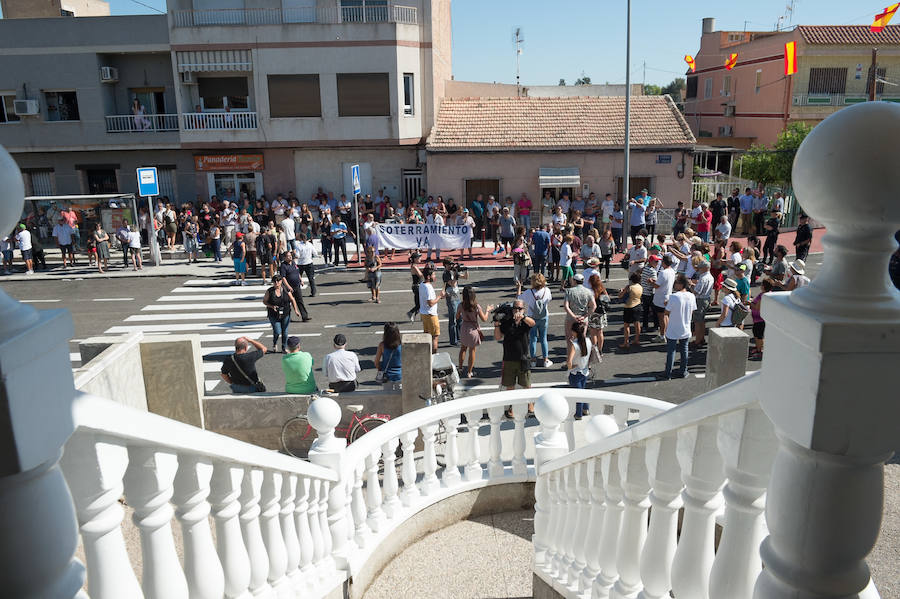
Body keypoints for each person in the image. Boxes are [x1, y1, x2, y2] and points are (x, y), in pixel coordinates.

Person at [494, 299, 535, 415]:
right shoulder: (507, 322)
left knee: (526, 384)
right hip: (509, 358)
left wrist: (523, 317)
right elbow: (498, 337)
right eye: (515, 308)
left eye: (520, 308)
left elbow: (533, 323)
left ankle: (530, 404)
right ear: (512, 310)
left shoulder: (525, 322)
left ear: (523, 310)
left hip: (523, 358)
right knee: (510, 386)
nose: (517, 310)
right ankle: (512, 406)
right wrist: (497, 324)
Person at [661, 274, 697, 380]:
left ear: (681, 284)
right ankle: (683, 371)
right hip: (685, 326)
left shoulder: (674, 296)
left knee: (671, 351)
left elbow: (666, 312)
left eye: (676, 283)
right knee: (684, 350)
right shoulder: (691, 296)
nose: (675, 284)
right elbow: (692, 311)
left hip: (673, 327)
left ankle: (667, 373)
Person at [455, 285, 493, 378]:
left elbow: (457, 316)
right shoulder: (476, 306)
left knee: (463, 349)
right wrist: (488, 310)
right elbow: (484, 319)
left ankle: (460, 368)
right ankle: (469, 372)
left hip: (464, 328)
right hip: (473, 329)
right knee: (472, 350)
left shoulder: (461, 305)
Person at [520, 273, 552, 368]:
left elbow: (519, 299)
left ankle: (533, 360)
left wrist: (518, 288)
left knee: (533, 339)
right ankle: (545, 359)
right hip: (543, 316)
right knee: (543, 338)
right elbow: (549, 299)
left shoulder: (529, 292)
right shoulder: (547, 290)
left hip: (531, 317)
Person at [563, 273, 595, 369]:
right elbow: (593, 306)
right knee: (583, 339)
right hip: (583, 318)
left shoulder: (569, 291)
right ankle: (585, 362)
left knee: (570, 340)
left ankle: (570, 361)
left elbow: (566, 306)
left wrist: (573, 316)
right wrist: (585, 315)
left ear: (574, 281)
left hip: (571, 318)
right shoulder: (588, 291)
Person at [263, 274, 302, 353]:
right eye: (274, 281)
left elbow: (292, 299)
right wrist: (271, 306)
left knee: (285, 332)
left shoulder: (285, 289)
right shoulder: (270, 291)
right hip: (273, 314)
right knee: (277, 331)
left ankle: (284, 348)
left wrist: (296, 310)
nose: (276, 283)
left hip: (285, 313)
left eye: (278, 281)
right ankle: (274, 343)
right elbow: (264, 301)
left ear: (281, 282)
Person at [568, 320, 593, 419]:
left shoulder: (574, 345)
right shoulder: (588, 341)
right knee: (582, 391)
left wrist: (572, 366)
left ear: (575, 332)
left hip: (575, 373)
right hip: (585, 370)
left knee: (578, 395)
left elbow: (569, 363)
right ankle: (585, 409)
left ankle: (578, 414)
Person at [278, 252, 311, 322]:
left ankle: (304, 316)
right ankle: (286, 318)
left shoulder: (293, 263)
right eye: (288, 256)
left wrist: (301, 280)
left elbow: (297, 272)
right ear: (285, 258)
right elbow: (283, 278)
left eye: (290, 256)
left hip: (297, 286)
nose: (290, 257)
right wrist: (288, 286)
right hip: (289, 287)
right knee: (287, 303)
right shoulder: (283, 266)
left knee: (300, 301)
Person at [419, 266, 445, 353]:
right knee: (434, 337)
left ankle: (427, 356)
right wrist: (440, 296)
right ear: (429, 277)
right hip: (431, 315)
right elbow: (430, 303)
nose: (435, 276)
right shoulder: (428, 287)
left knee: (427, 336)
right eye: (433, 274)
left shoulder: (422, 284)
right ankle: (433, 357)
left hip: (424, 313)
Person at [650, 255, 676, 342]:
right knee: (666, 316)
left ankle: (662, 335)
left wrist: (650, 282)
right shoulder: (672, 271)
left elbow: (657, 286)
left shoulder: (663, 272)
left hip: (660, 298)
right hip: (668, 296)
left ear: (664, 263)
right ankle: (665, 333)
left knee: (662, 318)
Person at [442, 258, 466, 346]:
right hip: (451, 299)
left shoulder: (453, 272)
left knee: (460, 318)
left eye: (452, 264)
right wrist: (456, 274)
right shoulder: (446, 274)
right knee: (453, 320)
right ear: (445, 265)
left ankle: (459, 337)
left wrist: (465, 270)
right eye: (449, 264)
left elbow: (466, 277)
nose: (451, 266)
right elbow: (453, 284)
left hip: (457, 297)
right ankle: (453, 340)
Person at [691, 260, 714, 347]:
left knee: (697, 322)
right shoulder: (710, 277)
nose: (699, 269)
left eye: (700, 267)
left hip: (700, 300)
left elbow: (697, 292)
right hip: (707, 299)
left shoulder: (703, 278)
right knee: (702, 321)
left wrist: (691, 285)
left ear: (705, 268)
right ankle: (701, 338)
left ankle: (697, 340)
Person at [587, 274, 610, 363]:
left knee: (593, 333)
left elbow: (589, 304)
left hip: (593, 313)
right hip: (601, 314)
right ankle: (600, 350)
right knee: (600, 332)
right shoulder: (602, 290)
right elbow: (607, 300)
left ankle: (594, 350)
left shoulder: (590, 291)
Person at [374, 323, 403, 391]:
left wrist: (380, 369)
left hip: (387, 375)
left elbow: (376, 362)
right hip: (400, 374)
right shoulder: (402, 345)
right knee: (399, 397)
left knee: (387, 396)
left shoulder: (382, 345)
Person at [618, 272, 643, 350]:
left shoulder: (629, 287)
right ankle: (637, 339)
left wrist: (621, 291)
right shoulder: (640, 286)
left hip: (629, 306)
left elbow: (620, 296)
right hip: (638, 305)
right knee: (637, 323)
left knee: (626, 325)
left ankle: (626, 342)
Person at [749, 279, 773, 359]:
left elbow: (757, 307)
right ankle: (758, 348)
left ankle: (761, 351)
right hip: (758, 319)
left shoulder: (764, 296)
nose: (761, 285)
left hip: (760, 319)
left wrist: (750, 303)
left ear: (764, 286)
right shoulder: (766, 294)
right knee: (756, 334)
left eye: (762, 284)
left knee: (759, 336)